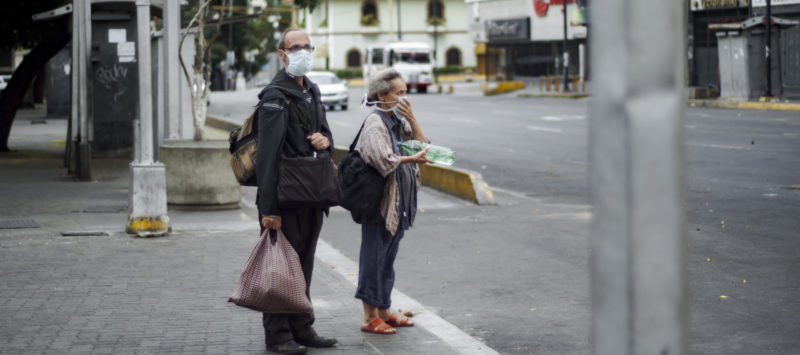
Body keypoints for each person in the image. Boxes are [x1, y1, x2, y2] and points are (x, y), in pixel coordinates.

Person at [254, 28, 337, 354]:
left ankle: (302, 328)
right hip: (284, 197)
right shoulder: (276, 96)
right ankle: (277, 335)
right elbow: (267, 156)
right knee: (279, 269)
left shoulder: (311, 90)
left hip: (311, 194)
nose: (303, 51)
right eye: (295, 47)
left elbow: (326, 132)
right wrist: (268, 209)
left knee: (302, 265)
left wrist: (325, 140)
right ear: (282, 53)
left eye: (307, 46)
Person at [355, 69, 432, 334]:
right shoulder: (375, 122)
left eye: (405, 93)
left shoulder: (398, 120)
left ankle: (385, 310)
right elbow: (383, 160)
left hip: (400, 205)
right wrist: (412, 159)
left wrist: (412, 119)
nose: (404, 99)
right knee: (373, 259)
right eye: (399, 94)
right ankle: (369, 317)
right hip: (380, 204)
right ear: (381, 95)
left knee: (387, 260)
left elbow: (423, 146)